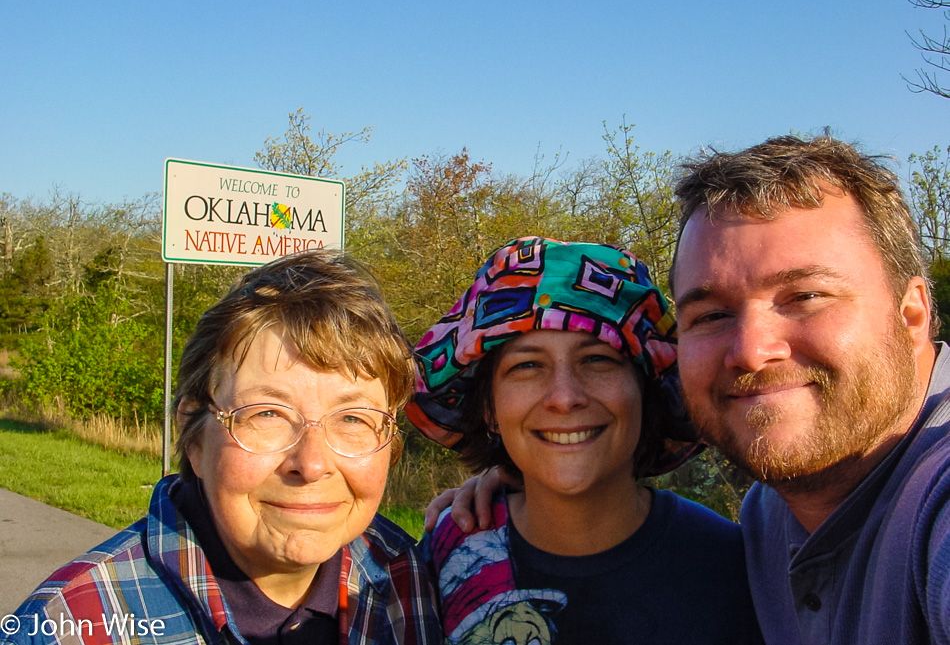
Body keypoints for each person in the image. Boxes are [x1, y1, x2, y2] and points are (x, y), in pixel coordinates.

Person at [440, 137, 950, 644]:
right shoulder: (768, 522)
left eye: (806, 296)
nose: (751, 352)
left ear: (912, 313)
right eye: (712, 315)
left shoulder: (732, 558)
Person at [3, 251, 441, 645]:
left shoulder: (411, 579)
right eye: (267, 414)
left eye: (352, 419)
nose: (311, 464)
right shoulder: (70, 626)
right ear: (193, 435)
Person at [405, 236, 763, 645]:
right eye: (527, 366)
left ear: (647, 393)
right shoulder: (443, 560)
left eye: (597, 360)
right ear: (489, 409)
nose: (564, 397)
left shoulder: (739, 572)